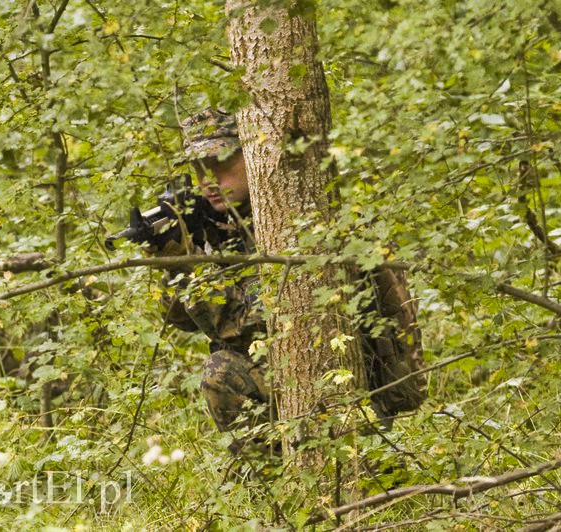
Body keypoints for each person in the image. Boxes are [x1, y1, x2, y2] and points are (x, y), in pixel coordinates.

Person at [158, 109, 425, 448]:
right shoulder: (225, 224)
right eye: (198, 168)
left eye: (219, 162)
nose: (208, 178)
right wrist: (174, 263)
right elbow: (179, 320)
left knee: (221, 372)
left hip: (351, 389)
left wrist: (190, 268)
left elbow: (258, 323)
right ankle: (275, 483)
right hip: (286, 381)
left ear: (253, 154)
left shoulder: (298, 219)